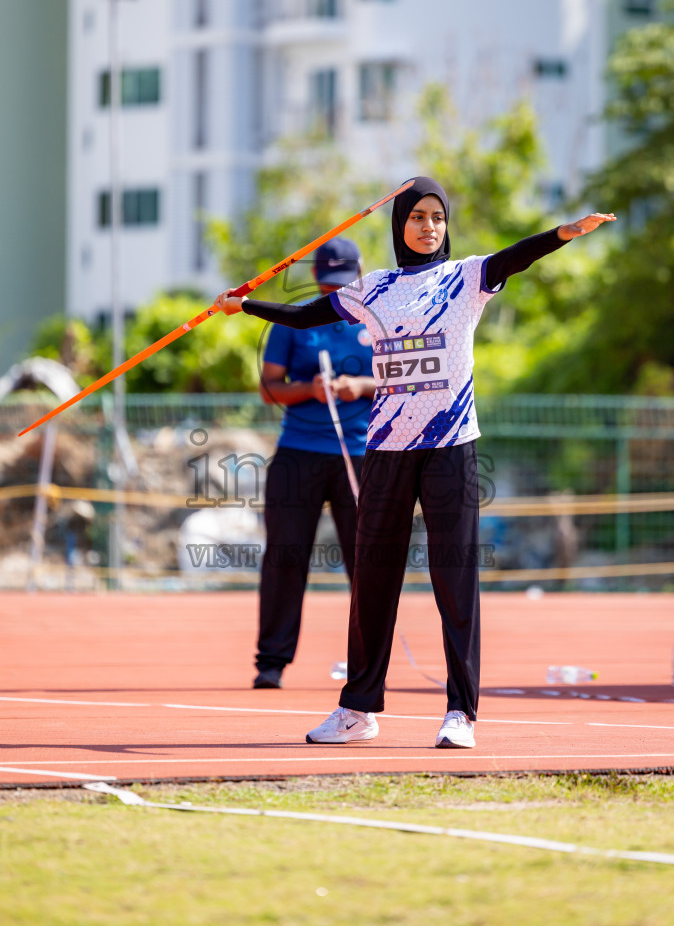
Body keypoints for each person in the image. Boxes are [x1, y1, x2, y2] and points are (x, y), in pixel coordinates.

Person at [216, 176, 616, 745]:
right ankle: (358, 709)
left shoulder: (467, 277)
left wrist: (566, 233)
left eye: (437, 217)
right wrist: (244, 304)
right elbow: (307, 315)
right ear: (399, 224)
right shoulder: (373, 289)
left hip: (452, 448)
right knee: (373, 581)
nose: (429, 227)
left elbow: (518, 255)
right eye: (417, 217)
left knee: (455, 578)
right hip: (386, 450)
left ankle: (462, 713)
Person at [251, 237, 375, 689]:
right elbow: (269, 387)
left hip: (362, 456)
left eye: (342, 285)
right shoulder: (295, 322)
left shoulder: (378, 316)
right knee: (284, 557)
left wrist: (358, 386)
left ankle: (368, 665)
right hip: (298, 454)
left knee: (366, 561)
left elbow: (400, 380)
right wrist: (310, 390)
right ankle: (271, 662)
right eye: (327, 286)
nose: (334, 295)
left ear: (361, 275)